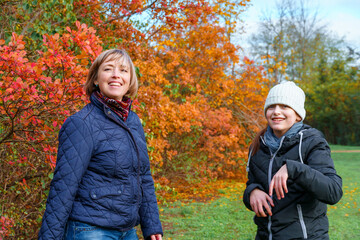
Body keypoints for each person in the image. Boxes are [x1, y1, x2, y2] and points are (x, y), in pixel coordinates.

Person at [39, 49, 163, 240]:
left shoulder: (133, 122)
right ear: (96, 78)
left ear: (130, 80)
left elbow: (143, 176)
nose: (116, 75)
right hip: (90, 230)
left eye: (123, 70)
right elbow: (64, 186)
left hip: (127, 231)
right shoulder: (82, 123)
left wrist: (152, 225)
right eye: (108, 69)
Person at [243, 81, 343, 240]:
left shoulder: (313, 142)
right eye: (271, 107)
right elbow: (252, 183)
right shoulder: (258, 145)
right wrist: (252, 192)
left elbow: (333, 192)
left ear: (297, 114)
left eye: (284, 106)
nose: (276, 111)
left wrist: (293, 169)